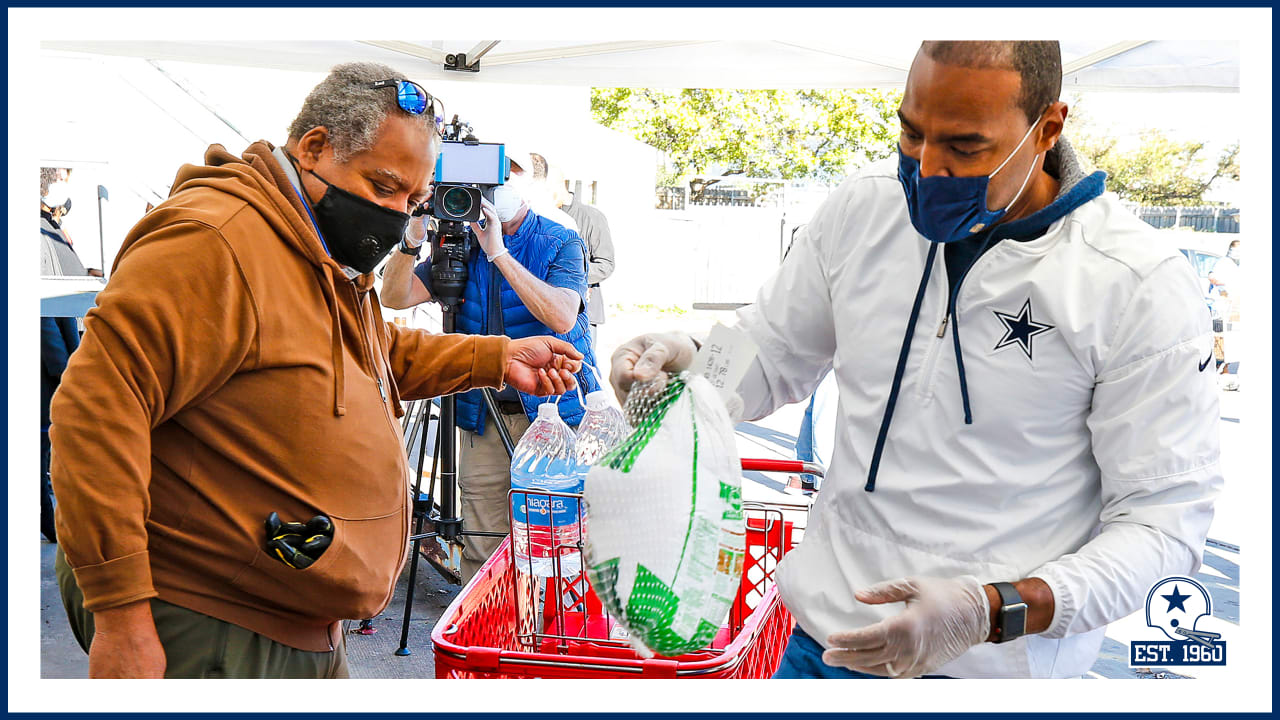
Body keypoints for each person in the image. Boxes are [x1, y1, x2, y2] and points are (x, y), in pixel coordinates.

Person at [610, 41, 1221, 679]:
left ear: (1047, 128)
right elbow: (773, 350)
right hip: (821, 644)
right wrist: (688, 364)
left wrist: (993, 609)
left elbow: (1164, 526)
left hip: (990, 669)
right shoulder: (864, 208)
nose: (927, 169)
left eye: (964, 147)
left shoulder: (1136, 283)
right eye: (911, 132)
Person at [50, 62, 583, 679]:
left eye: (413, 201)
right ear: (314, 147)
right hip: (212, 622)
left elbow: (367, 349)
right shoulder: (215, 240)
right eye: (383, 188)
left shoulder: (309, 241)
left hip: (292, 620)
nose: (395, 215)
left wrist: (493, 357)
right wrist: (122, 619)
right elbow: (95, 414)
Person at [381, 146, 600, 581]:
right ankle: (486, 630)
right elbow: (394, 297)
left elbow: (560, 314)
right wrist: (411, 239)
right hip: (482, 408)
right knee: (482, 531)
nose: (488, 192)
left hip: (553, 409)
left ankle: (548, 632)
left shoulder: (559, 240)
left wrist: (499, 252)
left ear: (524, 186)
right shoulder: (456, 244)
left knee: (554, 533)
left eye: (501, 180)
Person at [40, 167, 92, 543]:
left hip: (60, 364)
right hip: (50, 371)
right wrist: (63, 370)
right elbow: (42, 310)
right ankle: (51, 524)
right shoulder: (36, 230)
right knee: (44, 450)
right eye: (64, 176)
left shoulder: (50, 225)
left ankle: (54, 523)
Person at [542, 159, 616, 351]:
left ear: (557, 186)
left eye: (543, 189)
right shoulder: (542, 215)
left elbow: (606, 264)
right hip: (549, 311)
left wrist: (573, 276)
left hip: (584, 311)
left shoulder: (592, 217)